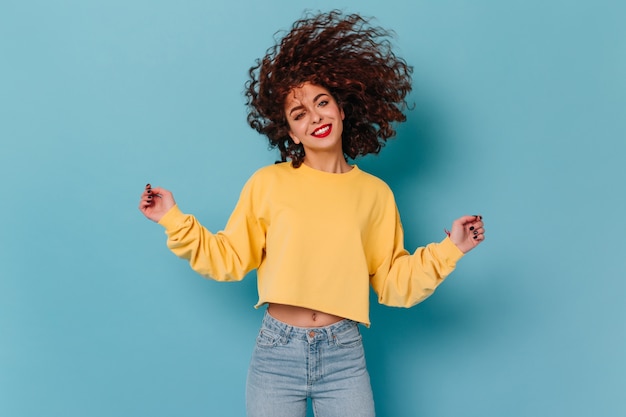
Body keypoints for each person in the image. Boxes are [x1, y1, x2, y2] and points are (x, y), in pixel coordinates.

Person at [138, 10, 485, 417]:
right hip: (276, 353)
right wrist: (172, 218)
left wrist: (451, 250)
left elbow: (392, 283)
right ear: (289, 131)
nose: (315, 117)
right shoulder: (269, 184)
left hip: (344, 355)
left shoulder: (375, 195)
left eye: (322, 103)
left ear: (342, 107)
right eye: (299, 114)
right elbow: (229, 259)